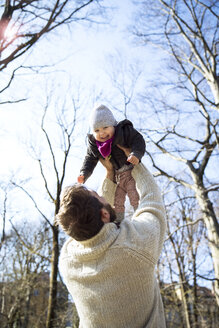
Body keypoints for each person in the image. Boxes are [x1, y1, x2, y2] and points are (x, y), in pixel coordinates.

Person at [56, 147, 167, 328]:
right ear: (105, 215)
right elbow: (152, 203)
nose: (101, 194)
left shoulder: (67, 262)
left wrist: (110, 174)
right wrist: (133, 162)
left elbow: (95, 223)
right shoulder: (133, 247)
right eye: (98, 196)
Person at [77, 104, 146, 221]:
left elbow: (138, 140)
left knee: (134, 194)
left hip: (130, 171)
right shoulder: (94, 144)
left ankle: (140, 216)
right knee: (117, 200)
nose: (102, 133)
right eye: (97, 130)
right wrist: (84, 173)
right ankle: (119, 222)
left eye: (105, 127)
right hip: (116, 176)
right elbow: (89, 159)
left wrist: (136, 154)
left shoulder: (123, 131)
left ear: (113, 125)